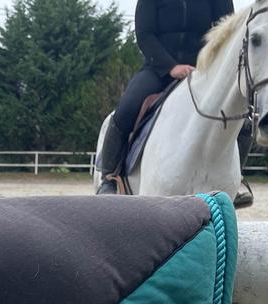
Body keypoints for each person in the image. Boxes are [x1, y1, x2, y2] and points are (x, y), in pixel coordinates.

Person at [98, 0, 253, 204]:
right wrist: (170, 67)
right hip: (159, 69)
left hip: (204, 69)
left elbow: (225, 32)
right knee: (126, 109)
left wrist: (209, 64)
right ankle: (109, 177)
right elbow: (145, 35)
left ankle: (235, 181)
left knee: (244, 122)